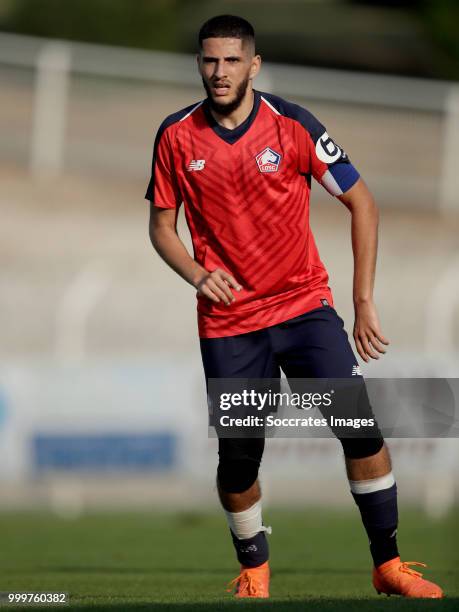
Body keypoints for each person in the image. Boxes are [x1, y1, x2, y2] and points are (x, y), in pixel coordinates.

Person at [146, 14, 443, 600]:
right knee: (238, 462)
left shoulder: (293, 125)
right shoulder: (176, 135)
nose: (219, 71)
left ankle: (388, 566)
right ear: (199, 65)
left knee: (360, 429)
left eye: (232, 60)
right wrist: (197, 274)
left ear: (253, 64)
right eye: (209, 60)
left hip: (304, 308)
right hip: (230, 325)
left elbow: (362, 201)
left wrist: (362, 301)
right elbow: (161, 227)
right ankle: (255, 569)